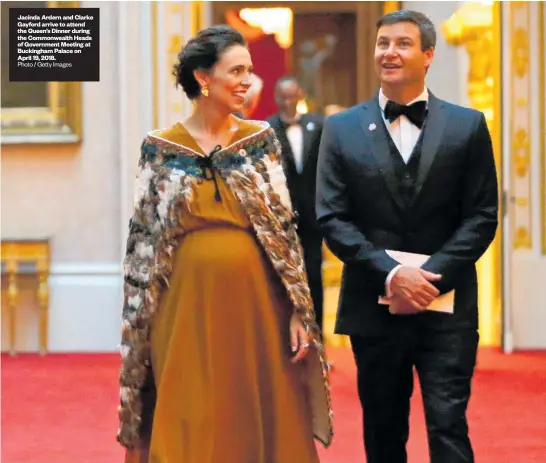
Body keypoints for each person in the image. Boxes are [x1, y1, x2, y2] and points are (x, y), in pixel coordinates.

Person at [117, 25, 332, 463]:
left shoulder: (259, 142)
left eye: (249, 71)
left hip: (256, 307)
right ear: (203, 78)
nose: (247, 82)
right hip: (182, 308)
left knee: (254, 410)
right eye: (236, 71)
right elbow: (143, 243)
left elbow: (283, 234)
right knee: (190, 410)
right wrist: (142, 323)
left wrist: (295, 308)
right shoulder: (159, 149)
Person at [316, 10, 498, 463]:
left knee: (448, 424)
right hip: (373, 310)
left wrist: (427, 277)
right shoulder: (340, 129)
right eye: (382, 43)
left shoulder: (467, 125)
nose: (389, 52)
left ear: (428, 55)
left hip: (448, 305)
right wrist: (393, 274)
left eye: (402, 43)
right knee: (383, 430)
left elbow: (482, 216)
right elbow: (332, 217)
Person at [267, 77, 325, 333]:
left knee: (314, 275)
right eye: (284, 97)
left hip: (313, 216)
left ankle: (317, 338)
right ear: (277, 98)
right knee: (283, 279)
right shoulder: (267, 129)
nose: (289, 102)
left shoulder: (317, 125)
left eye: (293, 96)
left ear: (300, 94)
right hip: (281, 217)